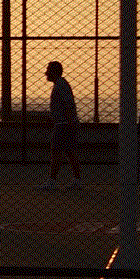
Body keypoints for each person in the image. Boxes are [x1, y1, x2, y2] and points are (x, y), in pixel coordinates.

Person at [40, 61, 82, 190]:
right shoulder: (61, 84)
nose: (46, 73)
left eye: (48, 70)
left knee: (56, 152)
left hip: (63, 125)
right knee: (70, 152)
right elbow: (65, 105)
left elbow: (68, 105)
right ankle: (76, 180)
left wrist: (69, 124)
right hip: (64, 124)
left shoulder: (60, 85)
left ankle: (52, 181)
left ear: (54, 72)